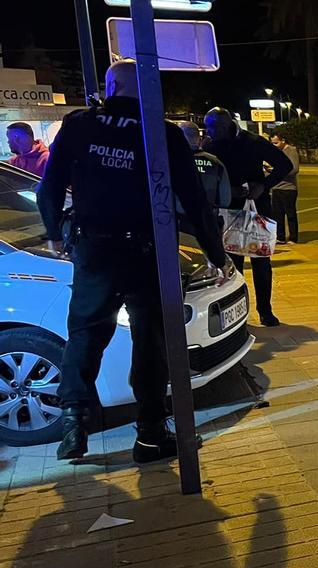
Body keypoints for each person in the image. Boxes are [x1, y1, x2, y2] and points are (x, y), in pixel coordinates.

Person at [36, 60, 229, 463]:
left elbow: (49, 185)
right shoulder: (163, 133)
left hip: (94, 250)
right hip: (145, 251)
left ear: (108, 86)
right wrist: (216, 253)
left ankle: (73, 422)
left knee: (86, 335)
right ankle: (151, 433)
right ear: (147, 89)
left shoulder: (78, 125)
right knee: (150, 342)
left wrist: (55, 233)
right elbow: (193, 200)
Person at [203, 107, 293, 326]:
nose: (208, 132)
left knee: (261, 261)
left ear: (225, 126)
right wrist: (224, 192)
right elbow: (207, 174)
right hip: (227, 210)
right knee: (232, 266)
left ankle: (266, 311)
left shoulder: (253, 141)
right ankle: (236, 314)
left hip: (256, 209)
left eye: (212, 128)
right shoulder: (210, 145)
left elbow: (285, 165)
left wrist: (263, 185)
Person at [177, 121, 230, 214]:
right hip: (208, 220)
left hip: (178, 221)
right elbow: (225, 201)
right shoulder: (216, 163)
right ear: (199, 139)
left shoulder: (171, 162)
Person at [269, 133, 301, 244]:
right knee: (277, 214)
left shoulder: (290, 151)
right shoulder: (275, 152)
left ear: (283, 140)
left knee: (290, 213)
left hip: (288, 188)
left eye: (276, 143)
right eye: (272, 143)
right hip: (276, 187)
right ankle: (280, 237)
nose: (274, 145)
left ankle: (293, 237)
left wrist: (278, 171)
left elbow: (294, 169)